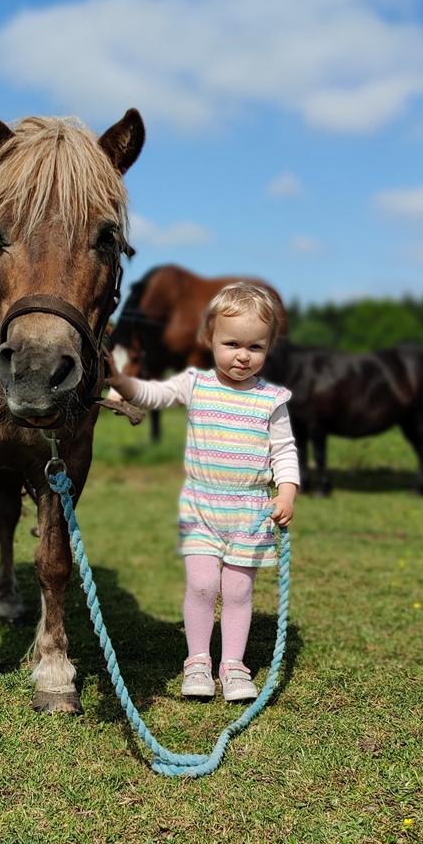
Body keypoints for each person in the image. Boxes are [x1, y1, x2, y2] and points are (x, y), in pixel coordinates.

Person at [108, 283, 299, 702]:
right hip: (202, 505)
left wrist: (285, 494)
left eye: (255, 346)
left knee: (238, 591)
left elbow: (285, 452)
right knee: (201, 585)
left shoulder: (271, 400)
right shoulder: (196, 384)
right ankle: (197, 661)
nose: (242, 355)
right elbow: (153, 394)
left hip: (250, 509)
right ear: (209, 339)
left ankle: (233, 665)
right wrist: (122, 381)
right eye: (231, 343)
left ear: (268, 347)